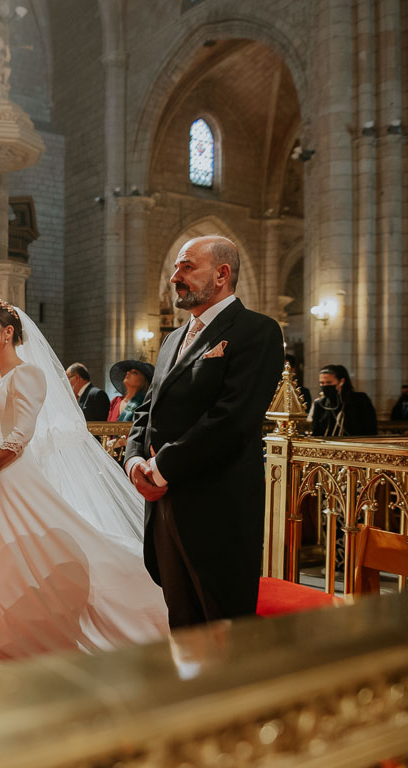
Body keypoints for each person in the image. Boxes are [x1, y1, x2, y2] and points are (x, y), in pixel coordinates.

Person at [0, 300, 169, 664]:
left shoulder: (27, 375)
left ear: (8, 333)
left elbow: (20, 435)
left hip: (9, 475)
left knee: (25, 551)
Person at [124, 235, 284, 628]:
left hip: (217, 505)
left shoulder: (256, 331)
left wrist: (162, 469)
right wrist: (133, 461)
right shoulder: (173, 339)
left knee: (224, 625)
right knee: (181, 618)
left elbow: (232, 419)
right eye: (177, 268)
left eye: (187, 267)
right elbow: (147, 409)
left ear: (222, 273)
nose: (175, 276)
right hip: (163, 503)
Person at [311, 364, 378, 436]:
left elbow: (370, 428)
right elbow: (316, 432)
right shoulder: (320, 404)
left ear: (341, 382)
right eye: (322, 383)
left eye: (329, 382)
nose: (325, 386)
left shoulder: (360, 400)